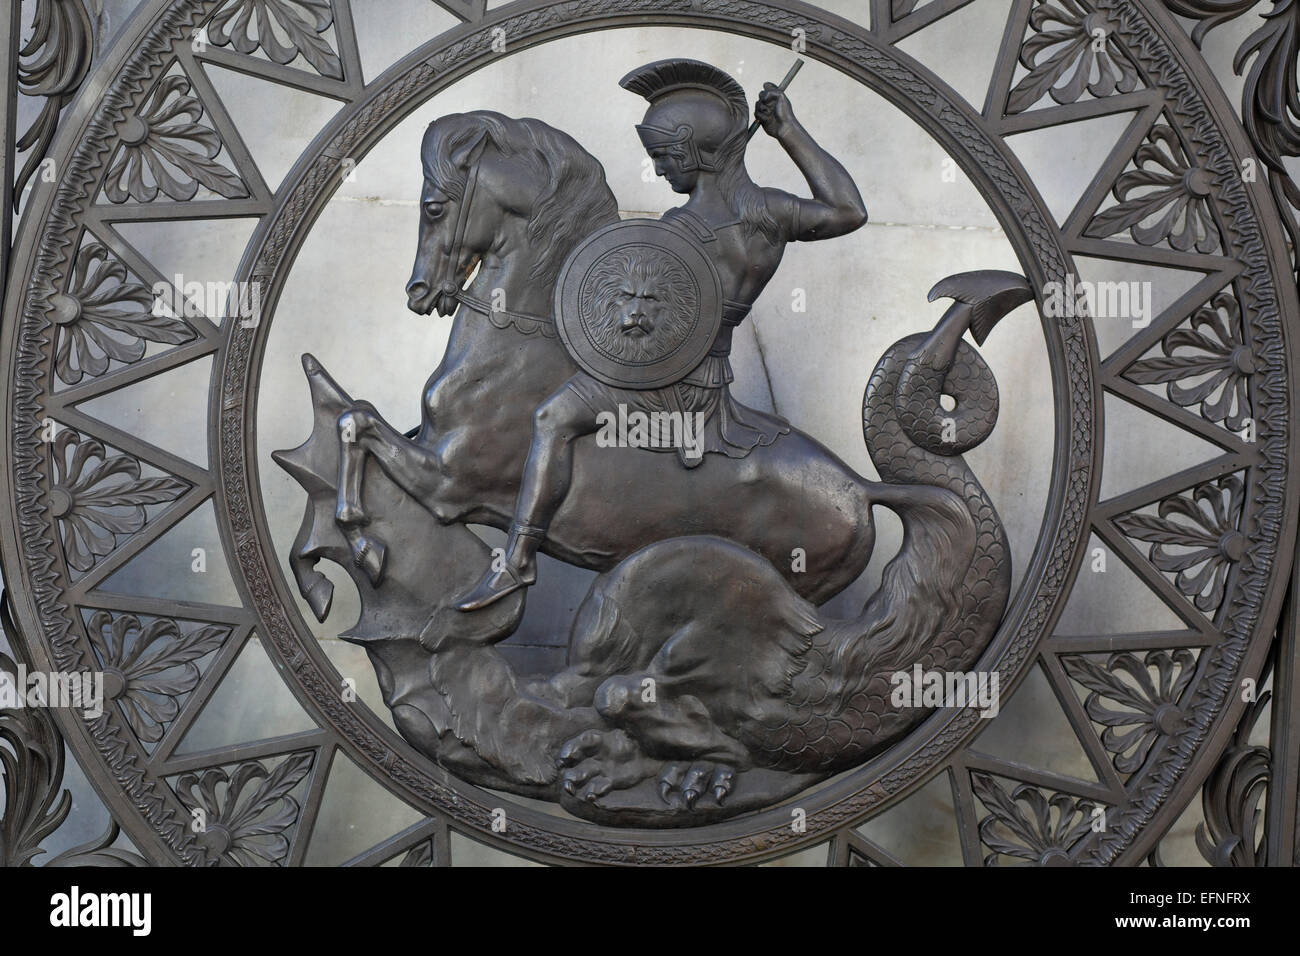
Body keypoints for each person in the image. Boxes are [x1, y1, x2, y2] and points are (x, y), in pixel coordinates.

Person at [455, 58, 868, 611]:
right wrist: (789, 132)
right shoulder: (768, 213)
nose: (662, 172)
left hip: (668, 383)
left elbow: (643, 323)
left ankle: (518, 562)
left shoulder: (679, 231)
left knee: (551, 418)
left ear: (695, 151)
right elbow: (846, 208)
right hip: (698, 378)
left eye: (666, 159)